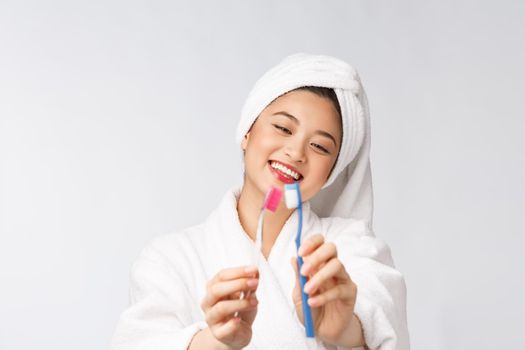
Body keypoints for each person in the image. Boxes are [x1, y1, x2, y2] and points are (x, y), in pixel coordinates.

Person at [109, 53, 410, 350]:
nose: (296, 152)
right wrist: (214, 341)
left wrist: (346, 329)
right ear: (247, 131)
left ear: (331, 172)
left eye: (319, 146)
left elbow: (381, 316)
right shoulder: (171, 258)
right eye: (283, 128)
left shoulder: (351, 250)